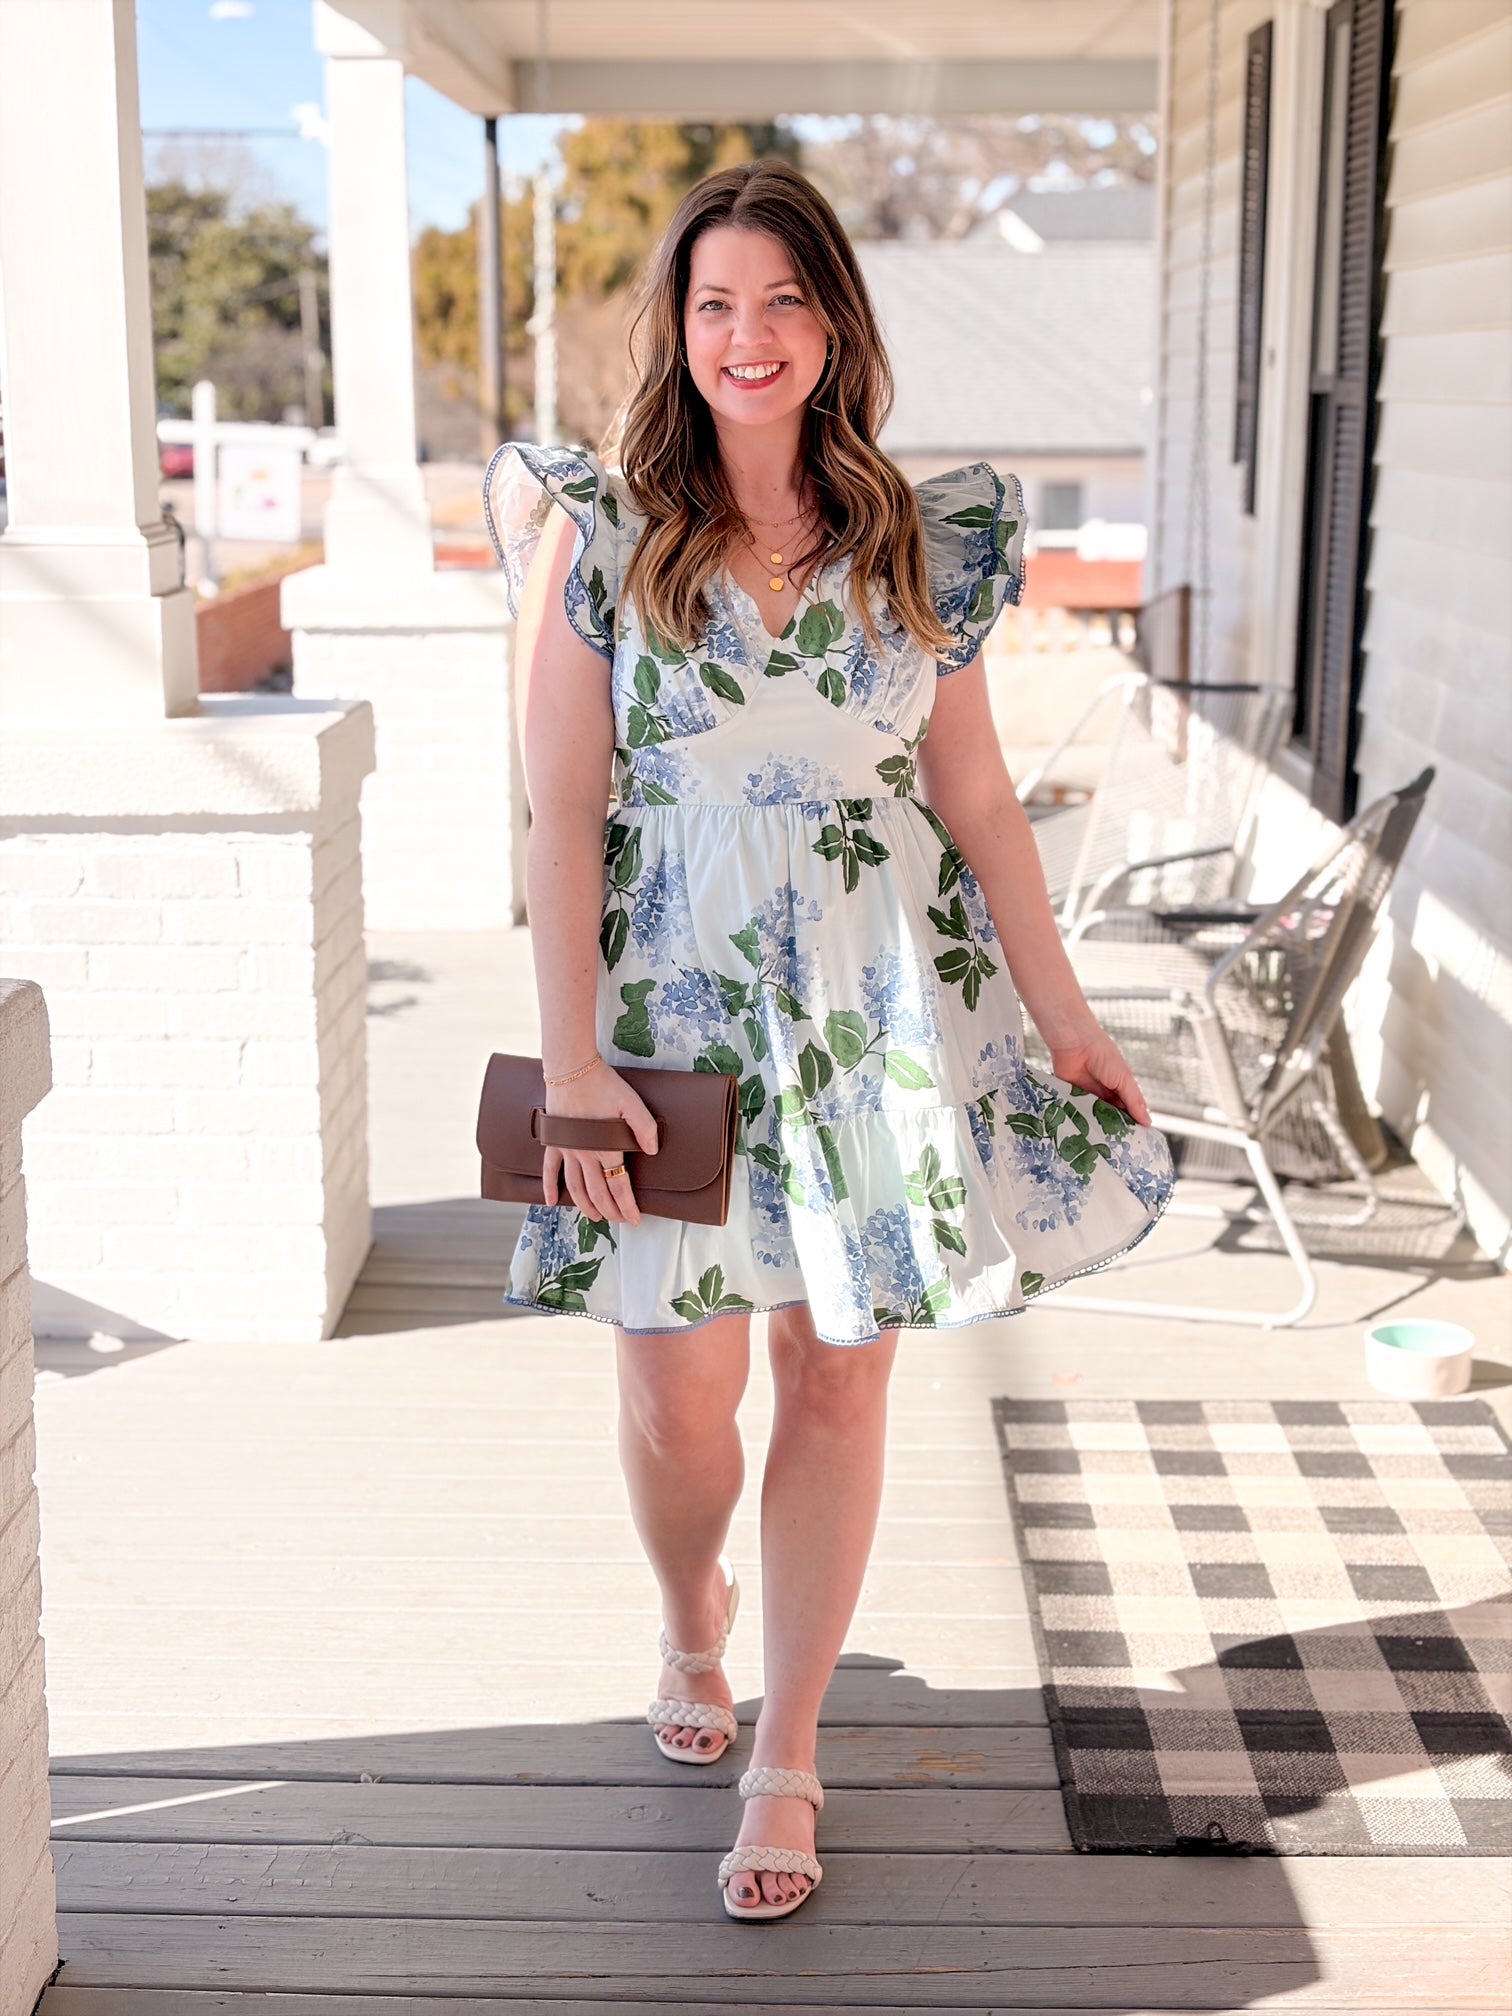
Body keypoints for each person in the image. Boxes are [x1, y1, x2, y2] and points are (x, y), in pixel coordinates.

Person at [485, 158, 1174, 1922]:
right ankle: (690, 1609)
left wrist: (1069, 1017)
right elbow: (562, 816)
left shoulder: (919, 538)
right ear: (676, 329)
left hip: (875, 1013)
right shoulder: (599, 533)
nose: (751, 334)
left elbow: (980, 799)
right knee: (674, 1388)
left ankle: (788, 1747)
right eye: (716, 302)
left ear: (834, 323)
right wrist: (570, 1068)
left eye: (784, 299)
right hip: (671, 1014)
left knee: (841, 1365)